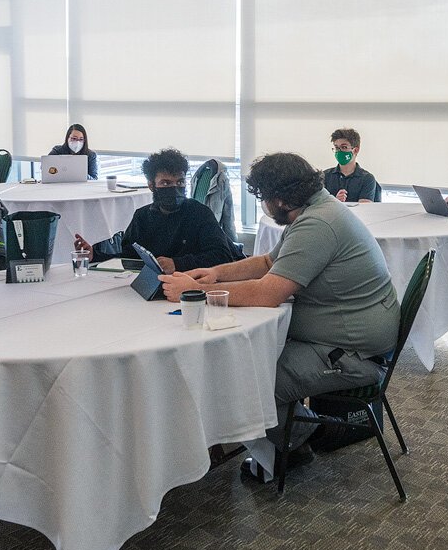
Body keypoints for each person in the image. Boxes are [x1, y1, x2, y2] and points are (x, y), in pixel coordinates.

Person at [161, 152, 399, 484]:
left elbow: (267, 293)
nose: (263, 206)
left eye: (263, 199)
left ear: (280, 199)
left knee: (248, 376)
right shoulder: (317, 209)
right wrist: (214, 274)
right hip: (345, 339)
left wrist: (196, 293)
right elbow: (268, 263)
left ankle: (298, 441)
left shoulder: (318, 224)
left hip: (355, 355)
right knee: (248, 361)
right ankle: (293, 430)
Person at [73, 148, 237, 274]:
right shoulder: (142, 216)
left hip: (194, 286)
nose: (174, 188)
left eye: (179, 182)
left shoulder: (199, 213)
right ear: (151, 185)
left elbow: (222, 256)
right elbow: (129, 255)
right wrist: (96, 255)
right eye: (166, 183)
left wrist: (177, 264)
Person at [323, 128, 379, 203]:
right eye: (336, 148)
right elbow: (318, 207)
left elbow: (365, 210)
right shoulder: (325, 176)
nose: (339, 152)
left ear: (355, 150)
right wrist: (335, 202)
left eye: (344, 147)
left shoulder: (367, 179)